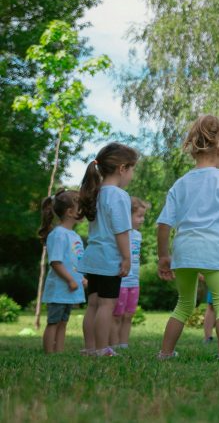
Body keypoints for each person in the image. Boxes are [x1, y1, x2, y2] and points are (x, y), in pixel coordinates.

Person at [156, 115, 219, 360]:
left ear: (193, 148)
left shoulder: (180, 184)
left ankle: (165, 353)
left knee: (183, 304)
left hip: (183, 252)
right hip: (214, 252)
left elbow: (163, 224)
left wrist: (163, 256)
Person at [78, 142, 138, 357]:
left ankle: (90, 348)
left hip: (93, 257)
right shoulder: (119, 195)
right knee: (106, 305)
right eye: (132, 170)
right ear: (122, 168)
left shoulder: (97, 192)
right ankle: (103, 348)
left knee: (93, 304)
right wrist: (126, 257)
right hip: (109, 258)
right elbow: (121, 230)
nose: (132, 175)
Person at [39, 190, 85, 354]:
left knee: (63, 322)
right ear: (70, 212)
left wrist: (81, 278)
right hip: (59, 289)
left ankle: (58, 353)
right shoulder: (58, 234)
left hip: (68, 289)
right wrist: (70, 280)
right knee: (53, 322)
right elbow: (56, 262)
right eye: (81, 206)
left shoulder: (74, 235)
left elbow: (76, 261)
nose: (84, 210)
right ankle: (49, 354)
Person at [111, 197, 149, 350]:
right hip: (121, 281)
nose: (142, 219)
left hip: (134, 281)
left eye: (143, 216)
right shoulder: (121, 234)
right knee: (117, 315)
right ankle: (112, 344)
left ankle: (123, 344)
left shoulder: (138, 235)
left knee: (128, 315)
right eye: (139, 216)